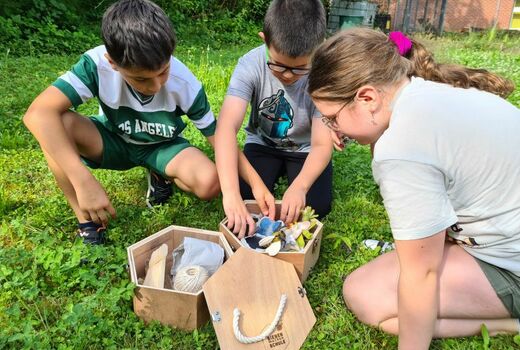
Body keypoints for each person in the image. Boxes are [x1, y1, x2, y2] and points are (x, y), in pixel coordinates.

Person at [308, 28, 520, 349]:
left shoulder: (402, 148)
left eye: (331, 118)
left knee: (366, 295)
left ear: (367, 98)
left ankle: (509, 323)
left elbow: (421, 274)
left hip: (511, 268)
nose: (331, 128)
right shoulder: (426, 92)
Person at [23, 0, 219, 245]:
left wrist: (241, 191)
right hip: (112, 140)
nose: (156, 86)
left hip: (160, 146)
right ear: (112, 63)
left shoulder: (185, 82)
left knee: (209, 182)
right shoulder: (95, 64)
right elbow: (37, 114)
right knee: (54, 124)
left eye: (163, 72)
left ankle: (159, 173)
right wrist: (82, 179)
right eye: (141, 79)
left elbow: (221, 141)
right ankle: (87, 222)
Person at [215, 0, 333, 238]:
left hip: (305, 149)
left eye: (300, 68)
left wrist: (299, 187)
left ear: (319, 49)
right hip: (262, 145)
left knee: (316, 206)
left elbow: (322, 144)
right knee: (247, 196)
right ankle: (272, 172)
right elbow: (226, 128)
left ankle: (290, 177)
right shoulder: (250, 64)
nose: (288, 75)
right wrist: (230, 194)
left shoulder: (325, 74)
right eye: (278, 66)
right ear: (264, 39)